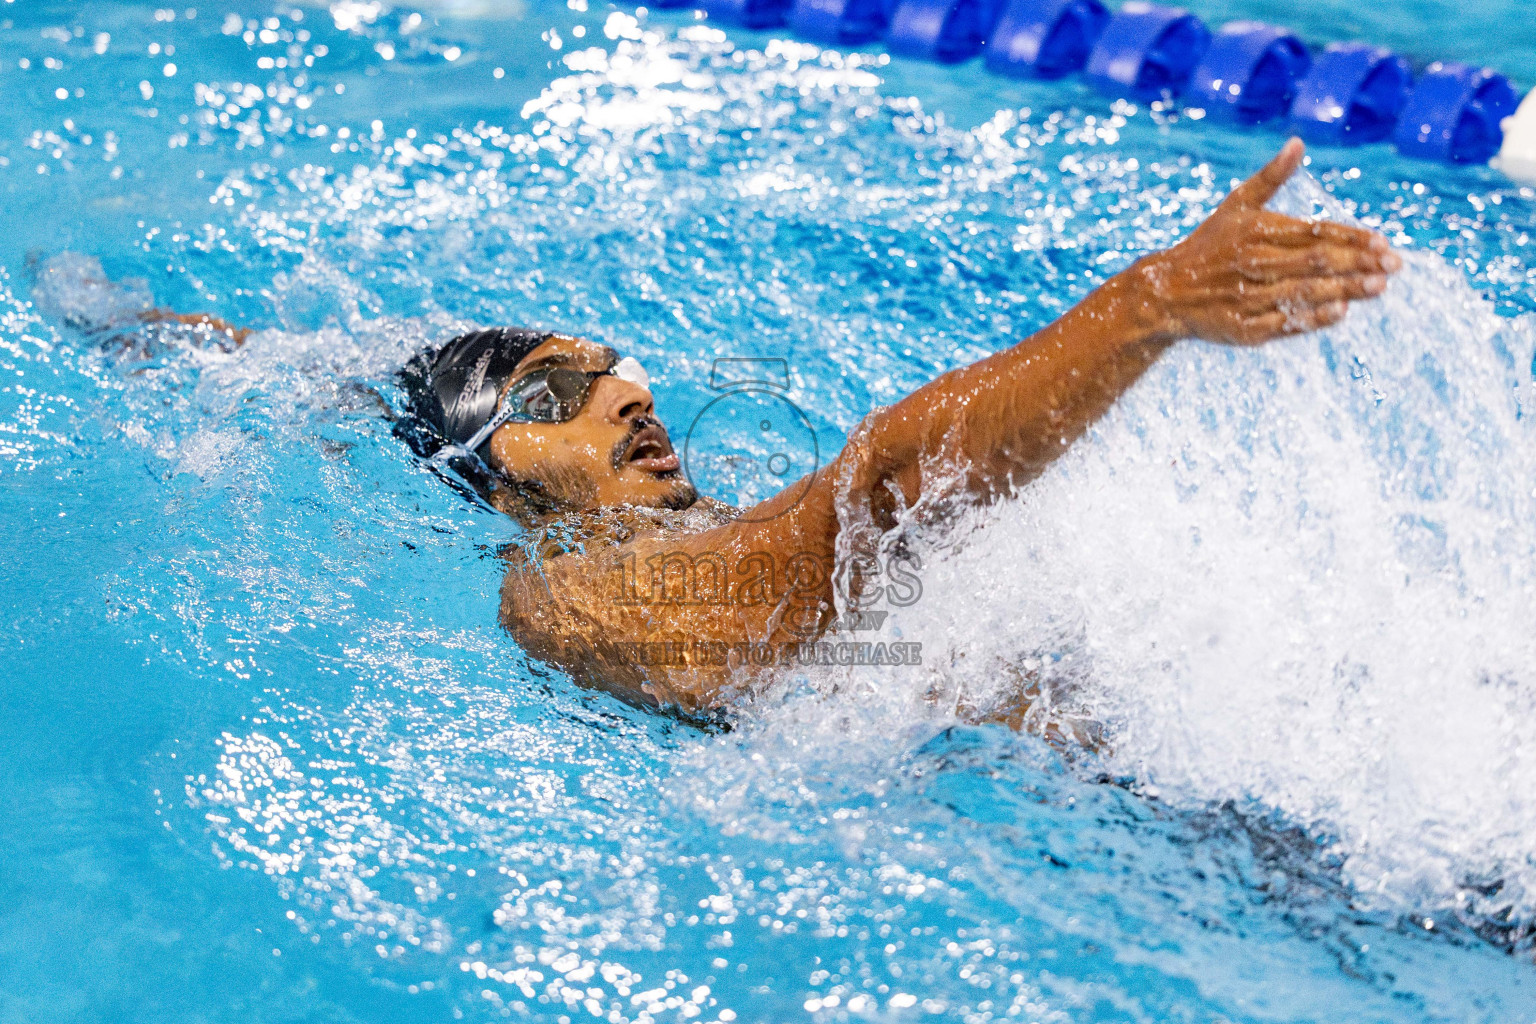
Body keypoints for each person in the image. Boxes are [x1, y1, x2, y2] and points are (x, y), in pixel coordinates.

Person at [48, 139, 1403, 732]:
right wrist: (1141, 308)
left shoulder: (705, 520)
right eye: (549, 401)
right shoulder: (566, 597)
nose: (622, 395)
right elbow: (881, 501)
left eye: (609, 370)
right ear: (495, 483)